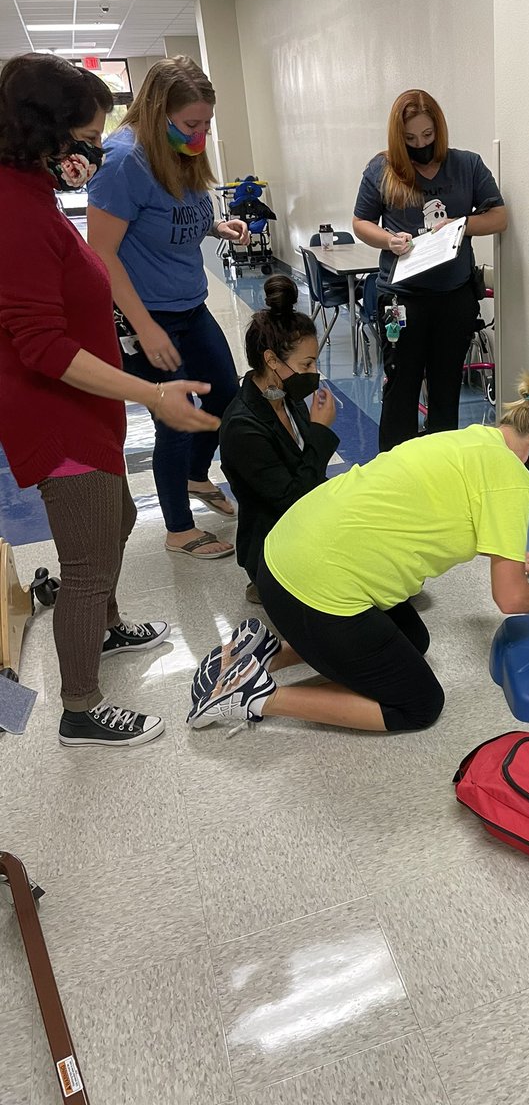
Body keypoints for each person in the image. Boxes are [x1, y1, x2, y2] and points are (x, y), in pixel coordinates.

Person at [0, 53, 220, 748]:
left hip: (83, 403)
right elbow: (43, 347)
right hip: (55, 412)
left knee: (117, 516)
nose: (96, 150)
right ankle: (81, 708)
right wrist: (153, 392)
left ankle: (108, 626)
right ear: (45, 133)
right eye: (88, 138)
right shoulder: (11, 209)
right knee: (88, 561)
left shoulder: (28, 190)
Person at [187, 374, 529, 733]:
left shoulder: (473, 438)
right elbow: (512, 599)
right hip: (311, 589)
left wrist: (512, 553)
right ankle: (253, 697)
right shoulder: (513, 478)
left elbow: (448, 509)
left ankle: (266, 653)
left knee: (412, 638)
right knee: (418, 704)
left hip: (281, 556)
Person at [87, 56, 249, 560]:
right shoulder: (121, 163)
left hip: (189, 303)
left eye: (206, 124)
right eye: (190, 124)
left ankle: (196, 478)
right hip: (145, 315)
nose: (199, 135)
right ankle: (178, 529)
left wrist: (214, 226)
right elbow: (101, 254)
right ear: (158, 114)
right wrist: (144, 327)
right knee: (175, 417)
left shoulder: (180, 150)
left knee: (226, 398)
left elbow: (174, 214)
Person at [352, 89, 507, 452]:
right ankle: (394, 469)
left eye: (427, 135)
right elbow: (361, 222)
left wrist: (461, 224)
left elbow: (498, 217)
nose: (420, 144)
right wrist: (388, 240)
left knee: (446, 386)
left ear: (439, 130)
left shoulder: (467, 165)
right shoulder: (382, 169)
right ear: (397, 138)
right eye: (409, 139)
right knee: (401, 386)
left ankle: (439, 463)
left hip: (452, 297)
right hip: (402, 299)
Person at [218, 275, 339, 602]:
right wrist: (320, 433)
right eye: (307, 364)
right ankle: (267, 585)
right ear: (272, 360)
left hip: (303, 523)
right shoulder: (243, 427)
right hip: (274, 542)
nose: (315, 372)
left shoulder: (285, 395)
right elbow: (292, 498)